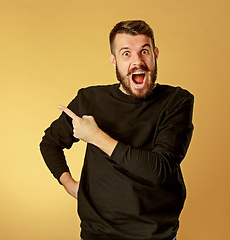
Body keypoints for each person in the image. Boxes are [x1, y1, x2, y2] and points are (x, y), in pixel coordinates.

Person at [40, 20, 194, 240]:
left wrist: (96, 137)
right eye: (126, 54)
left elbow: (159, 170)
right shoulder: (90, 100)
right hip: (98, 234)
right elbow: (50, 143)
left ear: (155, 54)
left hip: (155, 235)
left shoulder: (177, 101)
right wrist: (69, 184)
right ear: (114, 61)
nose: (137, 61)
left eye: (144, 51)